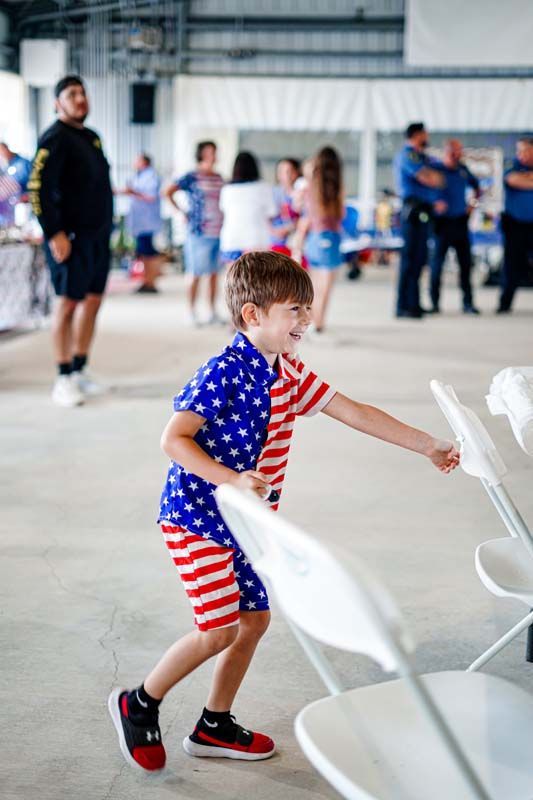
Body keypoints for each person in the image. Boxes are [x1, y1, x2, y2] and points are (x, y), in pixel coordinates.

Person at [108, 250, 460, 773]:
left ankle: (214, 724)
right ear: (254, 315)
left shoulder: (289, 373)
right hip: (197, 517)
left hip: (247, 525)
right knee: (218, 628)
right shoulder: (223, 371)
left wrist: (427, 443)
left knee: (253, 620)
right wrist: (232, 479)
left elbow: (354, 411)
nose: (306, 319)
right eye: (295, 309)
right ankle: (138, 703)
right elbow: (173, 439)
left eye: (307, 308)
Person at [28, 75, 113, 407]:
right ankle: (62, 377)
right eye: (72, 94)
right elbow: (37, 189)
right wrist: (54, 232)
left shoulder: (91, 137)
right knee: (66, 305)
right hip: (71, 238)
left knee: (92, 302)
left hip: (98, 238)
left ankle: (80, 369)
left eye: (83, 93)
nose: (80, 99)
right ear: (57, 103)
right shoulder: (54, 138)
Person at [164, 141, 224, 325]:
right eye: (209, 151)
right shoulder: (192, 176)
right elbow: (168, 191)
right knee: (195, 272)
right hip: (198, 231)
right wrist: (181, 212)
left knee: (214, 273)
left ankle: (212, 311)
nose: (212, 155)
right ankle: (191, 311)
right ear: (201, 154)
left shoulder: (219, 177)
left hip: (219, 230)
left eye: (214, 151)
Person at [394, 122, 445, 319]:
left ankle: (414, 303)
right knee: (410, 258)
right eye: (425, 134)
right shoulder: (408, 155)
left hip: (423, 210)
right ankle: (403, 305)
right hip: (412, 211)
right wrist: (434, 177)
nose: (427, 137)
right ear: (416, 135)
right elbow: (429, 178)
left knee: (419, 258)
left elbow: (438, 178)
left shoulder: (422, 157)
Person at [293, 146, 344, 333]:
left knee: (314, 284)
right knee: (326, 284)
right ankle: (319, 323)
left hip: (313, 238)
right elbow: (341, 215)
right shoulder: (334, 188)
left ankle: (311, 321)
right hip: (329, 237)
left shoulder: (310, 185)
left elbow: (299, 208)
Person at [430, 139, 482, 315]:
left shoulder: (463, 170)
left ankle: (468, 303)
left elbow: (477, 188)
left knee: (466, 265)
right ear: (446, 152)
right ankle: (434, 304)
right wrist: (433, 204)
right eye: (453, 152)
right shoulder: (436, 169)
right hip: (442, 224)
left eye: (459, 151)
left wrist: (472, 205)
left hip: (460, 222)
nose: (456, 155)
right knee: (437, 265)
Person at [219, 151, 277, 263]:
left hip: (231, 239)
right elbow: (271, 213)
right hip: (256, 239)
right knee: (256, 278)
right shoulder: (264, 187)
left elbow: (223, 210)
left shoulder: (227, 189)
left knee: (232, 278)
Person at [498, 136, 533, 313]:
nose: (520, 154)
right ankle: (505, 304)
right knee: (511, 265)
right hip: (515, 224)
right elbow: (513, 180)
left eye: (525, 150)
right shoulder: (511, 165)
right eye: (518, 150)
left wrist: (527, 178)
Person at [122, 153, 163, 293]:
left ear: (144, 162)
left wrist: (133, 192)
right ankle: (146, 281)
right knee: (144, 253)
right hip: (140, 222)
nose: (134, 162)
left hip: (147, 221)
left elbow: (151, 197)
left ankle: (151, 282)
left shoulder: (151, 176)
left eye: (137, 160)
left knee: (149, 252)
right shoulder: (139, 176)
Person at [270, 158, 301, 252]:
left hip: (297, 243)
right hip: (275, 242)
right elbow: (264, 217)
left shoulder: (302, 193)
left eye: (289, 171)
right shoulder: (272, 193)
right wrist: (273, 231)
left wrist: (289, 228)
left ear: (297, 173)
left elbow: (306, 217)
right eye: (281, 171)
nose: (286, 175)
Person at [0, 141, 31, 225]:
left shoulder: (23, 164)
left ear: (5, 149)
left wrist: (26, 197)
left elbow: (34, 187)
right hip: (9, 215)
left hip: (25, 210)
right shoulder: (6, 167)